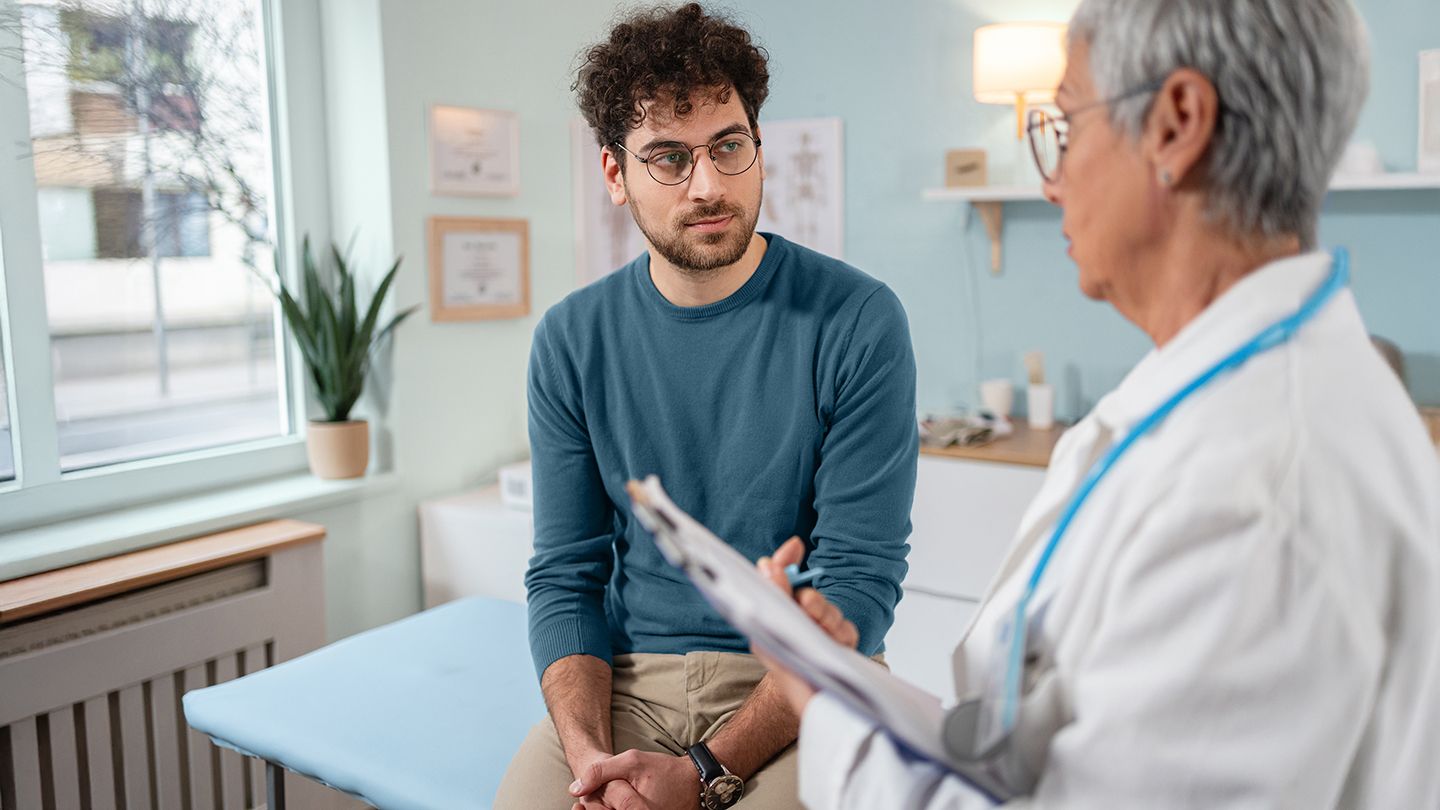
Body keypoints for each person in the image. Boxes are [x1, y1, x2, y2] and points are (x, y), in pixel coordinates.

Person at [751, 0, 1440, 807]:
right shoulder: (1215, 399)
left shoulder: (1256, 486)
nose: (1051, 180)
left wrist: (820, 704)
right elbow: (1070, 724)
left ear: (1177, 123)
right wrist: (855, 689)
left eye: (1068, 127)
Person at [493, 4, 919, 809]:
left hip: (797, 682)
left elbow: (860, 581)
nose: (709, 184)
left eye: (729, 146)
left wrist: (701, 773)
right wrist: (588, 762)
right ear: (614, 175)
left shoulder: (858, 320)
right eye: (668, 158)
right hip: (627, 684)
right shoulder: (570, 340)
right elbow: (565, 575)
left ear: (759, 148)